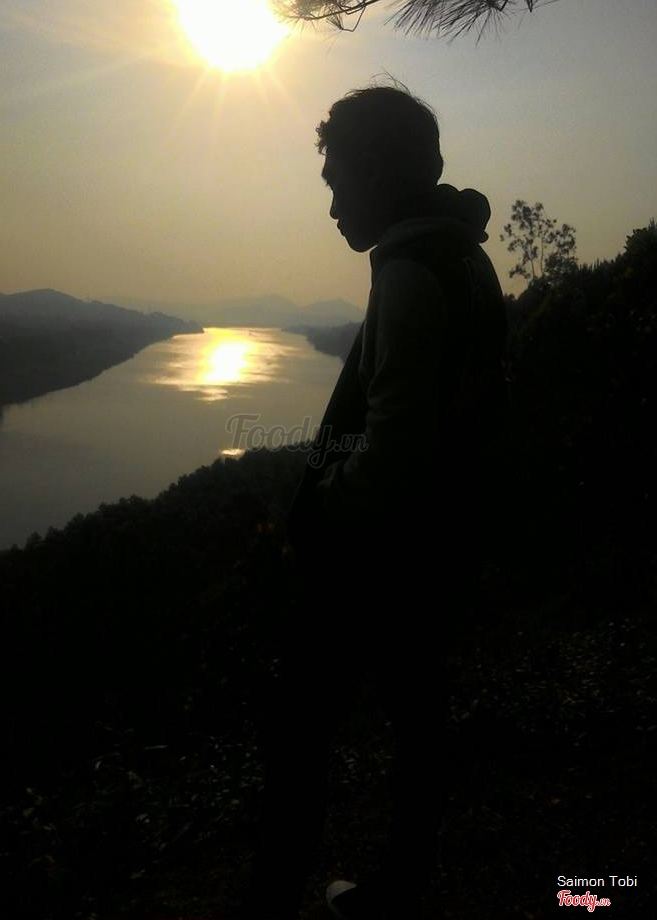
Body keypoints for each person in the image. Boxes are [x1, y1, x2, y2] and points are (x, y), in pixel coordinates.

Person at [239, 81, 510, 920]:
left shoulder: (408, 276)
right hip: (440, 541)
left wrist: (323, 509)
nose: (331, 206)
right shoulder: (463, 259)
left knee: (300, 730)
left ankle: (276, 895)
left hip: (377, 556)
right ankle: (402, 884)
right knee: (418, 717)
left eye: (337, 182)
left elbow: (394, 448)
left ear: (380, 172)